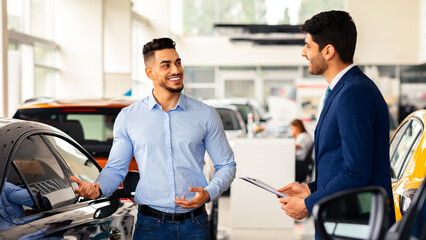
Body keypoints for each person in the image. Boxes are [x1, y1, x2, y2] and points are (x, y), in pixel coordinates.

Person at [70, 37, 236, 239]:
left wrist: (209, 192)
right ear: (150, 73)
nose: (176, 70)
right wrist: (98, 189)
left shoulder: (206, 114)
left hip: (195, 225)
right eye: (166, 65)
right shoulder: (129, 117)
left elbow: (226, 164)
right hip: (150, 226)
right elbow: (115, 169)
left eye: (178, 62)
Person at [277, 10, 395, 237]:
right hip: (344, 221)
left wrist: (309, 204)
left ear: (328, 51)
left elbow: (356, 172)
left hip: (353, 225)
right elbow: (342, 162)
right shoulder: (342, 90)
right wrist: (311, 188)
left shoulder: (354, 93)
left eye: (308, 46)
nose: (303, 53)